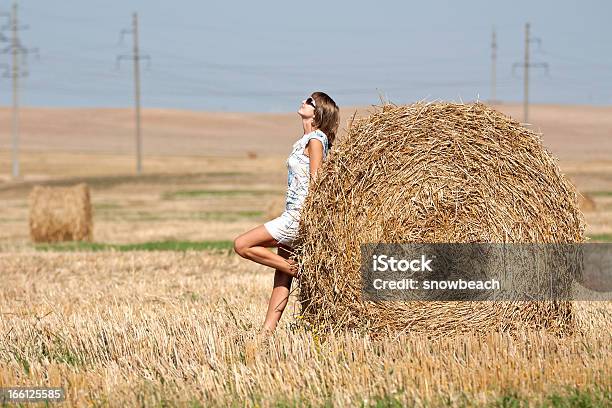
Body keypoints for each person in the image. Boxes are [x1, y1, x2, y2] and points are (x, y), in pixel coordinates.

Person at [233, 91, 340, 332]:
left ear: (318, 112)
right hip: (293, 212)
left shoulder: (315, 139)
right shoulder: (306, 140)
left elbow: (317, 181)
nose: (304, 101)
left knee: (242, 245)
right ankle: (267, 332)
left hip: (298, 216)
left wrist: (311, 220)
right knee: (281, 277)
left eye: (310, 101)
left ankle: (298, 269)